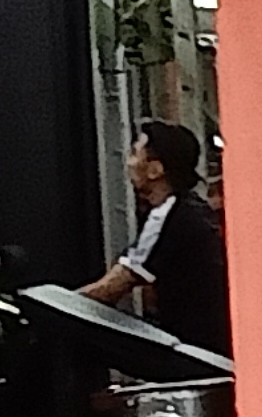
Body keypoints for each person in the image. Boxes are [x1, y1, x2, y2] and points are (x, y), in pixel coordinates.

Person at [81, 119, 230, 354]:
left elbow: (114, 286)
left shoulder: (167, 216)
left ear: (155, 170)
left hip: (198, 349)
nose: (128, 163)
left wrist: (55, 303)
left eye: (134, 154)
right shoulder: (191, 210)